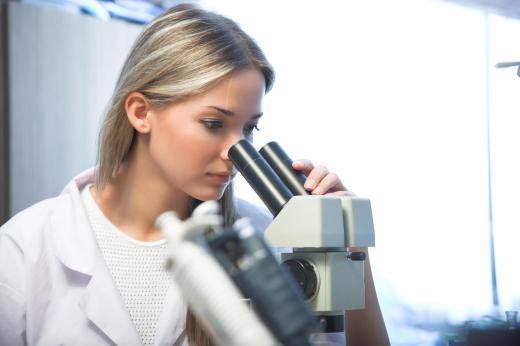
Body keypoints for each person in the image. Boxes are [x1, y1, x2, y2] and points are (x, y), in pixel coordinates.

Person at [0, 3, 389, 346]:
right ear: (140, 112)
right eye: (213, 123)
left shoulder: (271, 241)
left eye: (249, 128)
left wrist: (351, 248)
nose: (236, 153)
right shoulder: (24, 249)